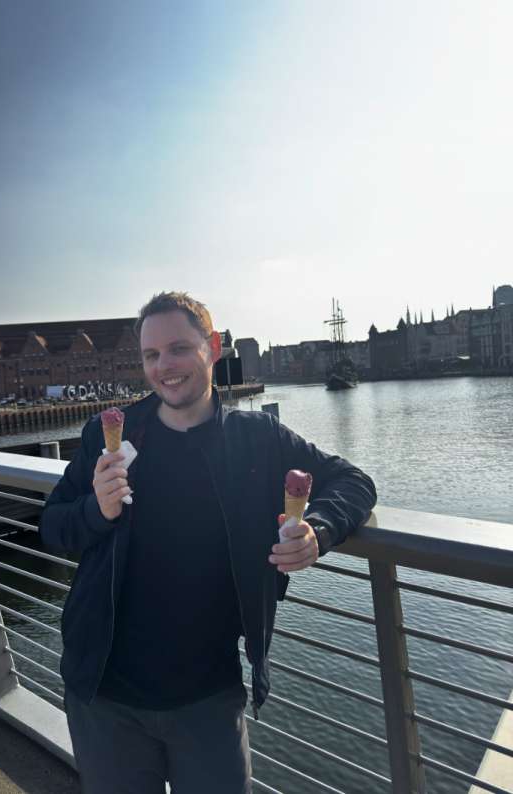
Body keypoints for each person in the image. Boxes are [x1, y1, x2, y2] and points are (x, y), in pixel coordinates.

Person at [39, 292, 377, 794]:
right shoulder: (107, 436)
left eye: (178, 348)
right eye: (151, 355)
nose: (164, 367)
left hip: (209, 697)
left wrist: (318, 531)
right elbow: (54, 527)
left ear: (213, 347)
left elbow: (352, 482)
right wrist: (97, 510)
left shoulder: (256, 440)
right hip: (106, 695)